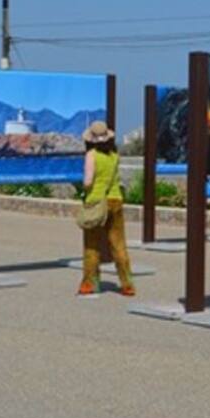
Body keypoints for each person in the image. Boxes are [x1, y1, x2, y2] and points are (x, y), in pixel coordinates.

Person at [78, 121, 135, 297]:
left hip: (96, 201)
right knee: (118, 244)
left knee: (92, 244)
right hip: (115, 200)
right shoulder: (114, 155)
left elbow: (88, 181)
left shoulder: (91, 155)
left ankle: (90, 283)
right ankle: (127, 284)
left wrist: (83, 188)